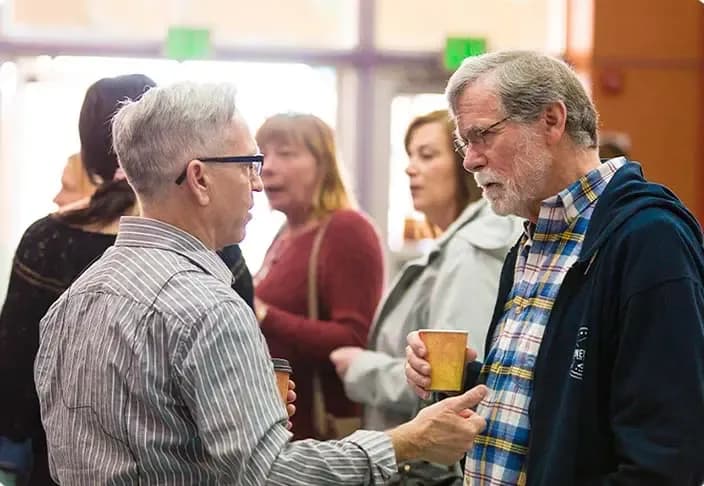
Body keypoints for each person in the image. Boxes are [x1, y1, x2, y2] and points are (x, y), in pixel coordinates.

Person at [34, 81, 489, 485]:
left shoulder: (74, 300)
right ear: (199, 179)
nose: (258, 181)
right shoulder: (208, 308)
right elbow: (271, 473)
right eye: (249, 163)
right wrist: (409, 440)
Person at [404, 50, 704, 485]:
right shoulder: (531, 239)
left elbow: (665, 456)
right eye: (463, 143)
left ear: (551, 121)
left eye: (481, 136)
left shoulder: (648, 237)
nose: (469, 160)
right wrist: (463, 380)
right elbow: (558, 405)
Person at [0, 74, 156, 486]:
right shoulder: (206, 240)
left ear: (87, 150)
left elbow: (14, 370)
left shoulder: (47, 240)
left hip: (59, 465)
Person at [330, 109, 521, 431]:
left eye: (427, 155)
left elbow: (456, 381)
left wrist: (361, 370)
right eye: (410, 155)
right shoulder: (460, 243)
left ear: (468, 162)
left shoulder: (473, 248)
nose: (410, 168)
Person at [254, 113, 385, 439]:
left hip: (323, 436)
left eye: (285, 153)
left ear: (322, 165)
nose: (267, 167)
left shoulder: (346, 229)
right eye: (262, 154)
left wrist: (265, 316)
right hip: (284, 432)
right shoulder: (285, 233)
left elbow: (354, 340)